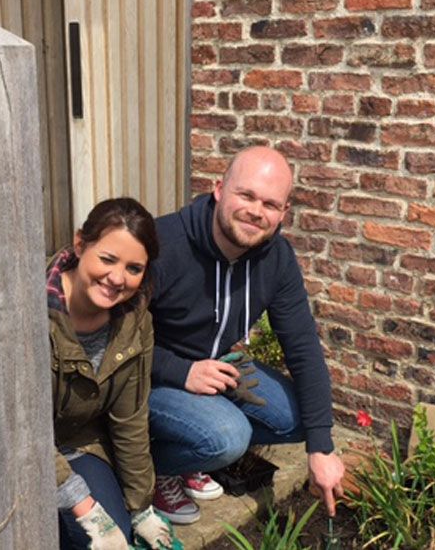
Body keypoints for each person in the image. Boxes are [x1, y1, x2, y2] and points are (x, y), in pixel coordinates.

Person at [147, 146, 346, 524]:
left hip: (216, 366)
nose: (256, 211)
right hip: (151, 375)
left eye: (270, 204)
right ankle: (156, 469)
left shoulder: (276, 258)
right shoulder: (163, 244)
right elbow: (111, 340)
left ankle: (191, 452)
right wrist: (179, 371)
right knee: (227, 436)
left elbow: (303, 347)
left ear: (283, 212)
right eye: (247, 195)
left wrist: (321, 448)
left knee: (305, 417)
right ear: (219, 189)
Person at [49, 198, 171, 549]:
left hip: (79, 440)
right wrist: (84, 509)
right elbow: (20, 430)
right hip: (17, 448)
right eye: (107, 259)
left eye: (134, 268)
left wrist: (141, 508)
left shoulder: (135, 322)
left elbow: (130, 419)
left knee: (115, 536)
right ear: (79, 244)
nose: (117, 278)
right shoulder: (33, 310)